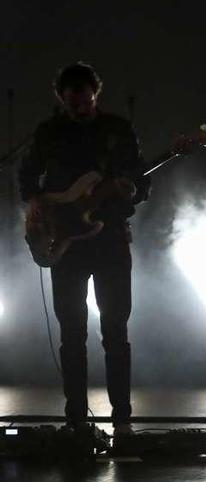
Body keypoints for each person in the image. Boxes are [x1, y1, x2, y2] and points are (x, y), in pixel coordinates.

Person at [19, 62, 150, 436]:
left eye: (85, 93)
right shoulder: (49, 132)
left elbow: (139, 178)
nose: (79, 101)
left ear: (96, 92)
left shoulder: (117, 130)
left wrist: (134, 190)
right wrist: (35, 203)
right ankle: (76, 418)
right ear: (61, 97)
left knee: (115, 330)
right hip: (66, 244)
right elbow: (26, 176)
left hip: (109, 239)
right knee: (72, 333)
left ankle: (121, 417)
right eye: (71, 95)